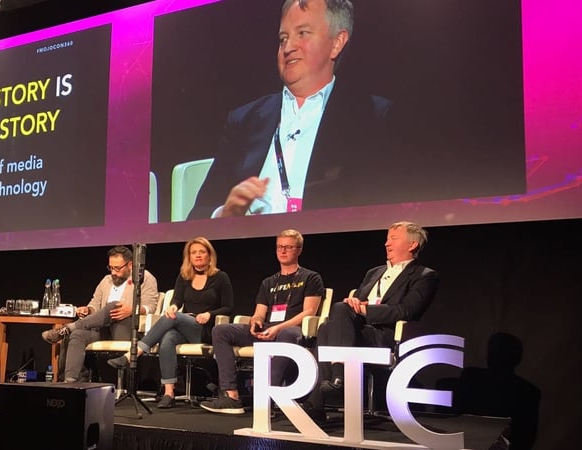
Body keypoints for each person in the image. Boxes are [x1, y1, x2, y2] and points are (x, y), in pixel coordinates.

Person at [188, 0, 397, 220]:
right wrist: (225, 213)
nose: (288, 48)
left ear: (337, 42)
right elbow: (196, 216)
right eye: (283, 39)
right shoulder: (244, 120)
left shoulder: (373, 117)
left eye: (303, 33)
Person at [306, 221, 439, 417]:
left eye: (393, 239)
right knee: (329, 324)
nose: (387, 244)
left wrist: (367, 311)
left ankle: (321, 398)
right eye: (387, 239)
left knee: (332, 323)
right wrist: (354, 302)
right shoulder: (374, 272)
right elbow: (356, 302)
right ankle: (335, 382)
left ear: (412, 245)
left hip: (385, 335)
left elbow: (407, 310)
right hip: (355, 332)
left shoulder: (424, 275)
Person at [200, 229, 325, 415]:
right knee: (221, 330)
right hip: (267, 330)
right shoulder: (269, 282)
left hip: (293, 331)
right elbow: (259, 313)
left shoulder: (310, 277)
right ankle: (231, 396)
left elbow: (309, 312)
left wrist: (278, 327)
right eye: (279, 247)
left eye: (288, 247)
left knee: (287, 332)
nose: (282, 251)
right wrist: (255, 322)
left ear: (299, 250)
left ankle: (266, 397)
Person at [107, 237, 234, 408]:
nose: (198, 256)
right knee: (168, 337)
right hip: (185, 327)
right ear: (188, 257)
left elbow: (228, 307)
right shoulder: (184, 277)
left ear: (210, 256)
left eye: (202, 252)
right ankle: (169, 392)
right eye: (193, 252)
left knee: (174, 318)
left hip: (207, 330)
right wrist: (173, 307)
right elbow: (177, 301)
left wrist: (209, 314)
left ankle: (133, 354)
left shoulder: (220, 277)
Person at [41, 245, 159, 383]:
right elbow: (95, 305)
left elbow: (151, 307)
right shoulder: (106, 280)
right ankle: (70, 382)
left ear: (130, 264)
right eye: (111, 267)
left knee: (114, 305)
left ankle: (68, 327)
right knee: (78, 335)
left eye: (117, 268)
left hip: (127, 330)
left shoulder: (144, 278)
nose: (113, 272)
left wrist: (132, 309)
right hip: (103, 330)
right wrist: (88, 310)